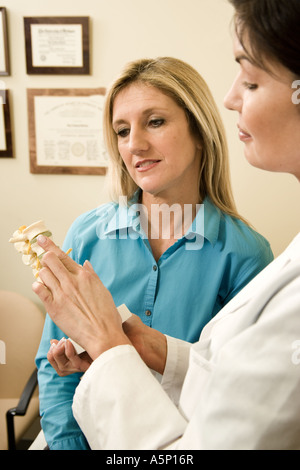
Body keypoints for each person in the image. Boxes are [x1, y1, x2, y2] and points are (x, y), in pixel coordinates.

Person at [34, 47, 282, 450]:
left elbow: (238, 390)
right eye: (122, 131)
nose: (135, 144)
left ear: (200, 132)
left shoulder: (245, 255)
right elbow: (52, 365)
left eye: (155, 122)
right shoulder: (87, 234)